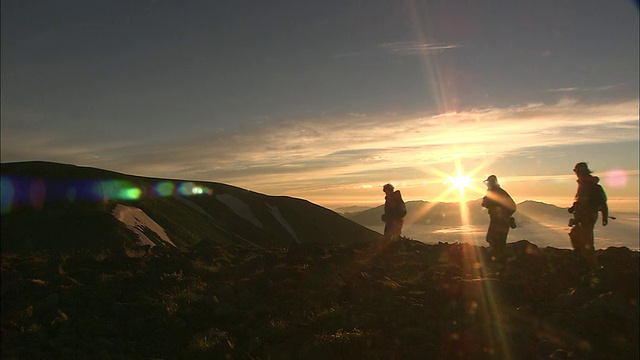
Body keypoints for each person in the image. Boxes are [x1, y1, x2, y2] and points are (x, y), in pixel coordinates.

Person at [568, 162, 608, 269]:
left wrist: (605, 216)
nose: (576, 173)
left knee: (587, 240)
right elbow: (580, 200)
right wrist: (573, 208)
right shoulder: (583, 184)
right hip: (582, 216)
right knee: (575, 234)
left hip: (587, 217)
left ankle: (592, 266)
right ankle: (582, 257)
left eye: (577, 171)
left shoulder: (592, 186)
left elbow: (602, 203)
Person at [481, 175, 516, 258]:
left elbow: (484, 203)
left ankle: (498, 261)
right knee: (498, 241)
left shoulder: (494, 192)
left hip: (498, 221)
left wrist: (503, 215)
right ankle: (499, 260)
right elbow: (513, 206)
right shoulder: (501, 192)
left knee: (494, 240)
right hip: (501, 221)